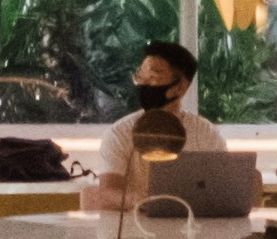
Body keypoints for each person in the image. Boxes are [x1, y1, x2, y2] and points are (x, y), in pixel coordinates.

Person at [94, 39, 224, 177]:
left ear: (179, 87)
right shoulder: (120, 134)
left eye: (152, 77)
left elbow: (221, 186)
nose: (143, 83)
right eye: (140, 77)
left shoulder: (206, 135)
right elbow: (108, 190)